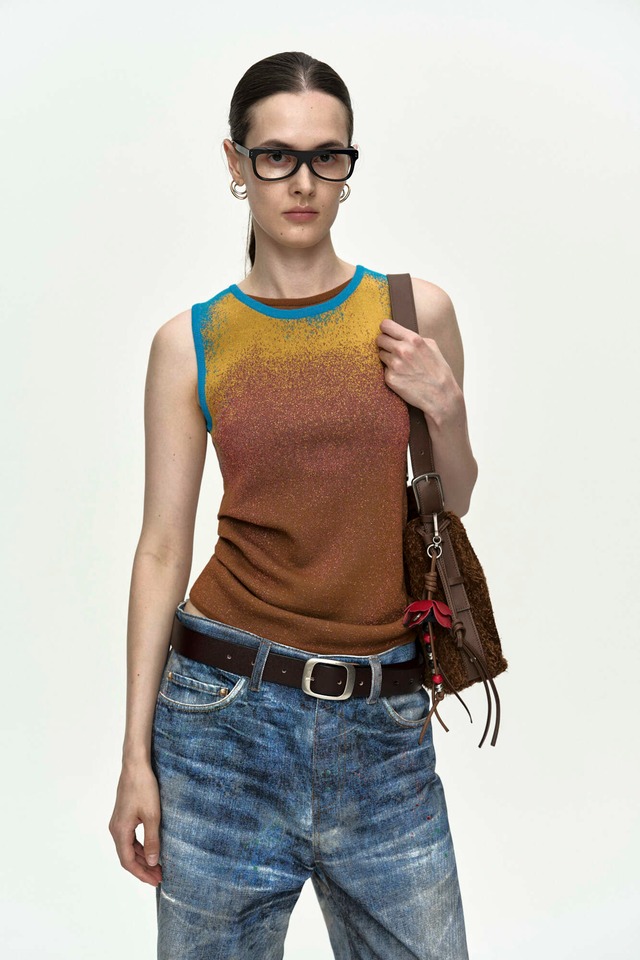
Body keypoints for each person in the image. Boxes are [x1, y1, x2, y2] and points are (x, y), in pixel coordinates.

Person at [109, 50, 478, 960]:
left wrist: (445, 406)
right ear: (236, 164)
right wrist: (134, 758)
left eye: (326, 156)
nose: (303, 182)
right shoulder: (191, 342)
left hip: (385, 729)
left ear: (350, 164)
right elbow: (162, 548)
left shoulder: (413, 312)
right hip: (220, 725)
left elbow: (454, 498)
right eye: (276, 156)